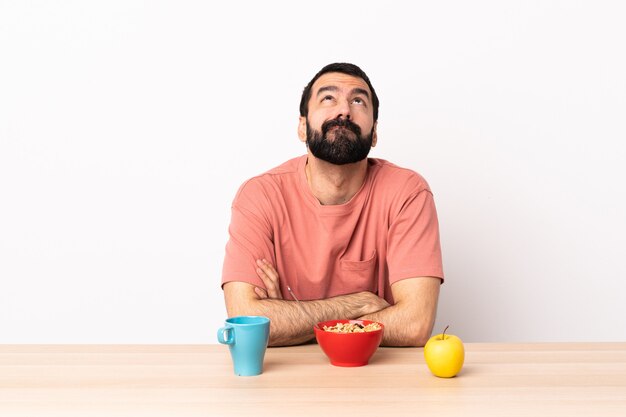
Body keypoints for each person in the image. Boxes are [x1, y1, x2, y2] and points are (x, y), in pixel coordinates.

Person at [221, 63, 444, 347]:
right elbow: (246, 321)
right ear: (302, 127)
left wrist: (289, 320)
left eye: (358, 100)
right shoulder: (259, 196)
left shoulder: (408, 193)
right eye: (328, 98)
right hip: (285, 379)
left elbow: (415, 324)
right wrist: (357, 304)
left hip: (381, 375)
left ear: (374, 132)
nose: (344, 111)